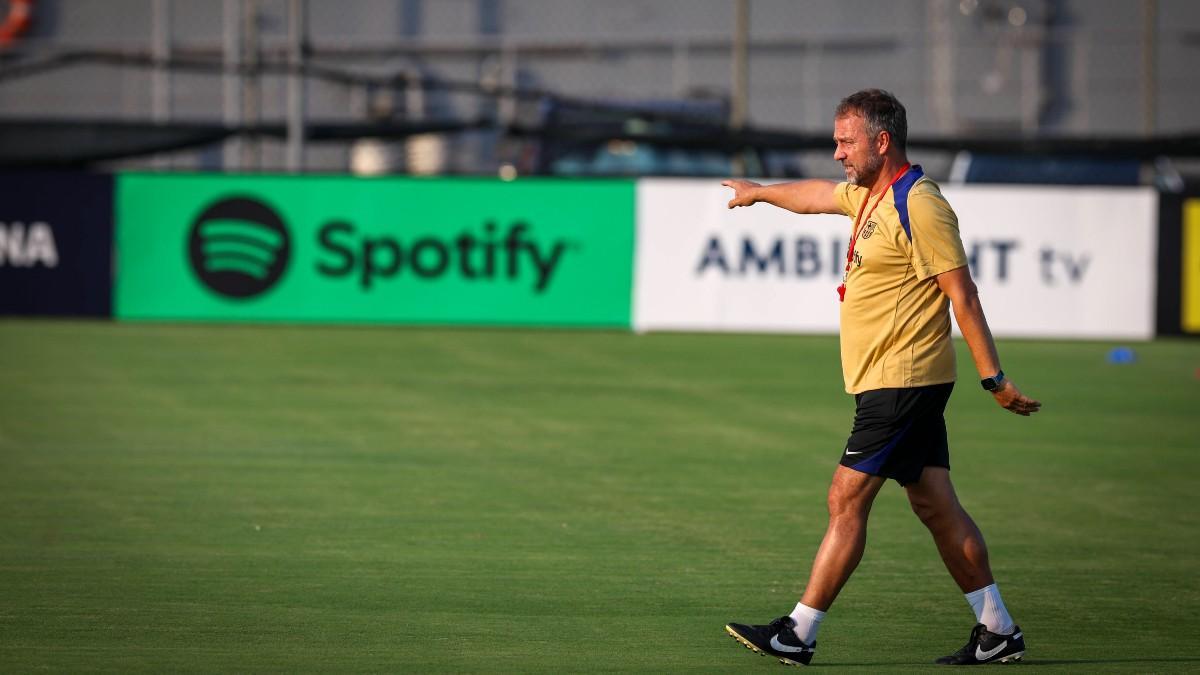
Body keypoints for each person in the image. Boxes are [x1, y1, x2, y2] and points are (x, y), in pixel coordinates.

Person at [720, 89, 1041, 667]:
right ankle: (998, 629)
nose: (838, 152)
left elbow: (961, 295)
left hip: (903, 380)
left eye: (847, 141)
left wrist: (994, 380)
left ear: (881, 141)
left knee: (846, 497)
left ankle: (799, 632)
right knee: (935, 504)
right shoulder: (874, 196)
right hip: (893, 379)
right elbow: (818, 195)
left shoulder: (920, 204)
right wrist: (761, 193)